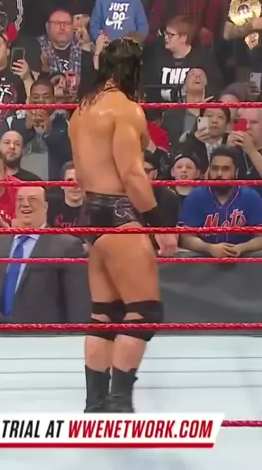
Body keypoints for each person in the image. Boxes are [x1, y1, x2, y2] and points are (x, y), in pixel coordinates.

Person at [69, 38, 177, 413]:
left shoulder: (81, 110)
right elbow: (132, 173)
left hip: (91, 215)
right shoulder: (126, 110)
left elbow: (84, 170)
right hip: (119, 213)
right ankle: (118, 403)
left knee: (105, 314)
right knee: (145, 312)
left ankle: (95, 405)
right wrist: (159, 226)